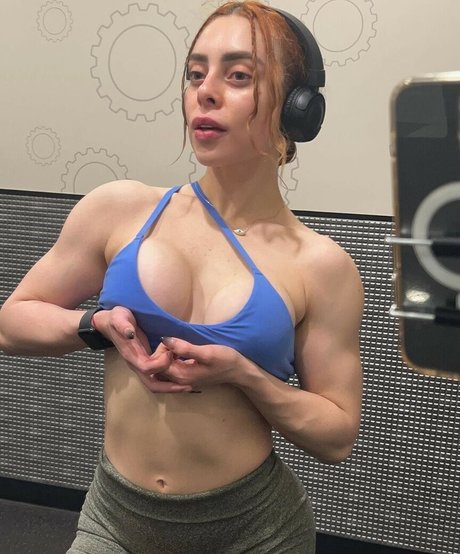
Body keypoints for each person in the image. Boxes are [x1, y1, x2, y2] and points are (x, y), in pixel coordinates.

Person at [0, 1, 363, 552]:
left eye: (238, 76)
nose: (205, 92)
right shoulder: (120, 210)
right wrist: (95, 326)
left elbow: (336, 436)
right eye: (196, 74)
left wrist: (246, 376)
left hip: (256, 532)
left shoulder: (322, 265)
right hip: (116, 520)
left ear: (297, 108)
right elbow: (10, 323)